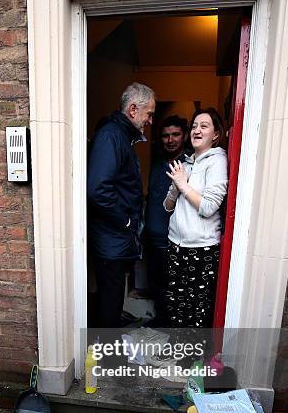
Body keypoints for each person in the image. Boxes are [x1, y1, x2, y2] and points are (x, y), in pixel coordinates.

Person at [87, 82, 156, 328]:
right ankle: (107, 362)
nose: (150, 120)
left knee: (113, 302)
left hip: (116, 240)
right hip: (110, 240)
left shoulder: (121, 136)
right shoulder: (111, 135)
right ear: (133, 109)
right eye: (149, 113)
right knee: (109, 303)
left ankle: (108, 356)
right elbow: (97, 189)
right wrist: (125, 220)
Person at [163, 108, 228, 328]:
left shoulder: (217, 161)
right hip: (176, 245)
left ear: (216, 134)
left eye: (204, 126)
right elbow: (167, 206)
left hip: (201, 249)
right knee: (174, 306)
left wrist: (183, 185)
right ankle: (177, 354)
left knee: (195, 311)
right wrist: (175, 186)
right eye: (194, 126)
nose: (196, 130)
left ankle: (193, 360)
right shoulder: (186, 163)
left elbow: (209, 206)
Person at [144, 116, 190, 326]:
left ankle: (169, 325)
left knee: (171, 285)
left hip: (172, 240)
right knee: (155, 282)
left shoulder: (189, 165)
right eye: (165, 135)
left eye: (175, 135)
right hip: (151, 237)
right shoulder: (157, 163)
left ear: (185, 136)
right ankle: (160, 320)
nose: (170, 140)